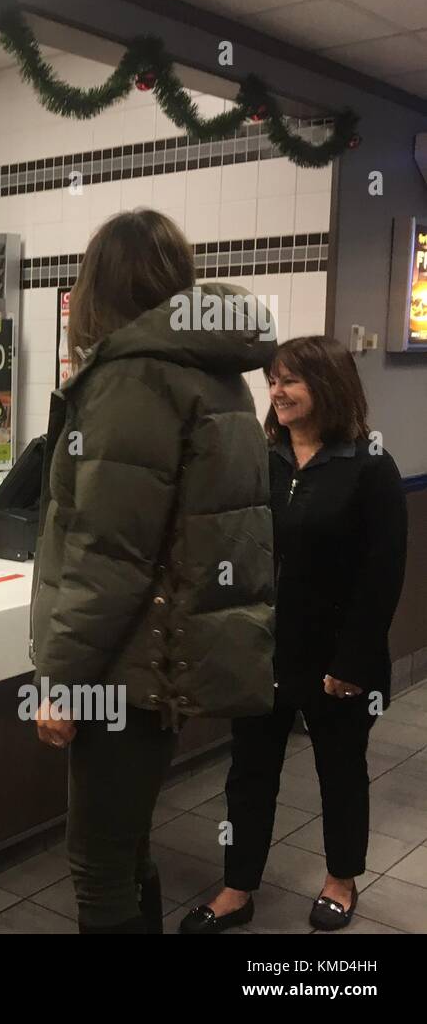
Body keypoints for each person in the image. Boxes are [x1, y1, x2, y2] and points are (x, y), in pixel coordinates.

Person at [30, 209, 277, 934]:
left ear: (100, 284)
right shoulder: (215, 373)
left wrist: (62, 678)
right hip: (165, 661)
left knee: (99, 865)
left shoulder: (132, 376)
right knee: (128, 845)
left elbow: (110, 554)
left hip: (125, 664)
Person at [181, 336, 407, 933]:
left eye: (290, 381)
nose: (276, 392)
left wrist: (353, 661)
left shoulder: (370, 468)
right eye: (272, 381)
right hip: (263, 651)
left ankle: (341, 880)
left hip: (335, 656)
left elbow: (382, 578)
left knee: (340, 771)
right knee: (249, 774)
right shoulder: (264, 459)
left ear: (327, 386)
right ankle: (237, 889)